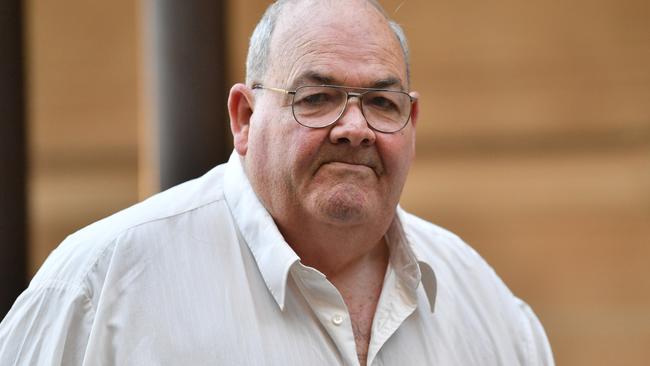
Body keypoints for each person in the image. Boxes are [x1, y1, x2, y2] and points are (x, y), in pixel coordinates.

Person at [0, 0, 554, 365]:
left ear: (411, 124)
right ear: (243, 118)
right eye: (317, 98)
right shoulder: (104, 287)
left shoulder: (487, 308)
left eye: (382, 104)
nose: (355, 128)